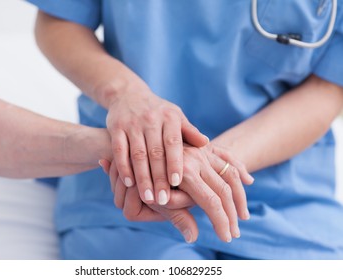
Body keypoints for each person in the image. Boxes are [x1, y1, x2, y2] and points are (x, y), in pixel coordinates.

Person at [27, 0, 343, 259]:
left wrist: (209, 162)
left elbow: (327, 89)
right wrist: (127, 95)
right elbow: (59, 21)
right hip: (130, 189)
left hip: (286, 201)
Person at [0, 24, 212, 259]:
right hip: (115, 206)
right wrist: (156, 156)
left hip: (248, 194)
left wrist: (133, 151)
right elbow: (59, 22)